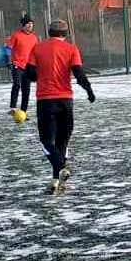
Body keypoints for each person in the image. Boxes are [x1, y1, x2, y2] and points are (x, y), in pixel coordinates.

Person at [24, 19, 96, 195]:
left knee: (47, 141)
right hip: (66, 101)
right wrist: (89, 90)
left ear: (49, 32)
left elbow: (30, 74)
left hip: (46, 100)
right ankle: (56, 180)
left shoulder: (38, 48)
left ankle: (60, 168)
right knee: (62, 142)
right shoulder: (71, 49)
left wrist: (41, 74)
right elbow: (79, 74)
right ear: (66, 33)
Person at [7, 15, 38, 117]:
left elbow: (36, 52)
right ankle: (13, 107)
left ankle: (24, 111)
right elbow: (8, 48)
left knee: (26, 89)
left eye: (31, 24)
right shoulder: (16, 35)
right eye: (28, 23)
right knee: (17, 84)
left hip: (28, 67)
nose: (30, 25)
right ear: (24, 25)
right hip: (17, 64)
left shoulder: (34, 38)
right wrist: (9, 61)